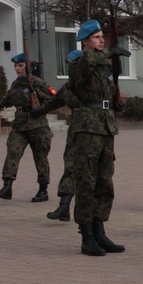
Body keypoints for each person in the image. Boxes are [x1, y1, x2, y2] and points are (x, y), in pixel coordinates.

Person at [68, 20, 129, 256]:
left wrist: (117, 102)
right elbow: (84, 68)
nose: (102, 40)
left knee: (105, 181)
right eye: (96, 37)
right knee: (86, 181)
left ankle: (100, 231)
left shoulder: (104, 66)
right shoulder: (79, 63)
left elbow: (111, 90)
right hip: (87, 128)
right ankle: (87, 236)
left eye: (103, 36)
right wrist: (108, 53)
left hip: (105, 125)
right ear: (85, 41)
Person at [0, 53, 57, 202]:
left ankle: (43, 190)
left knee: (40, 158)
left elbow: (55, 99)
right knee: (12, 153)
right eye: (15, 66)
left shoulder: (38, 82)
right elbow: (8, 99)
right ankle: (7, 187)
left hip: (38, 126)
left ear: (27, 67)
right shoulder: (16, 84)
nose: (17, 68)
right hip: (20, 126)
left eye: (20, 65)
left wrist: (39, 104)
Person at [45, 52, 83, 222]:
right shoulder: (69, 86)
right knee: (71, 164)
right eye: (70, 65)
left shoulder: (95, 82)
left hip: (96, 132)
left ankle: (92, 214)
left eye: (75, 64)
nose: (72, 68)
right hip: (76, 130)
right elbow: (56, 101)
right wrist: (38, 111)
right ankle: (64, 206)